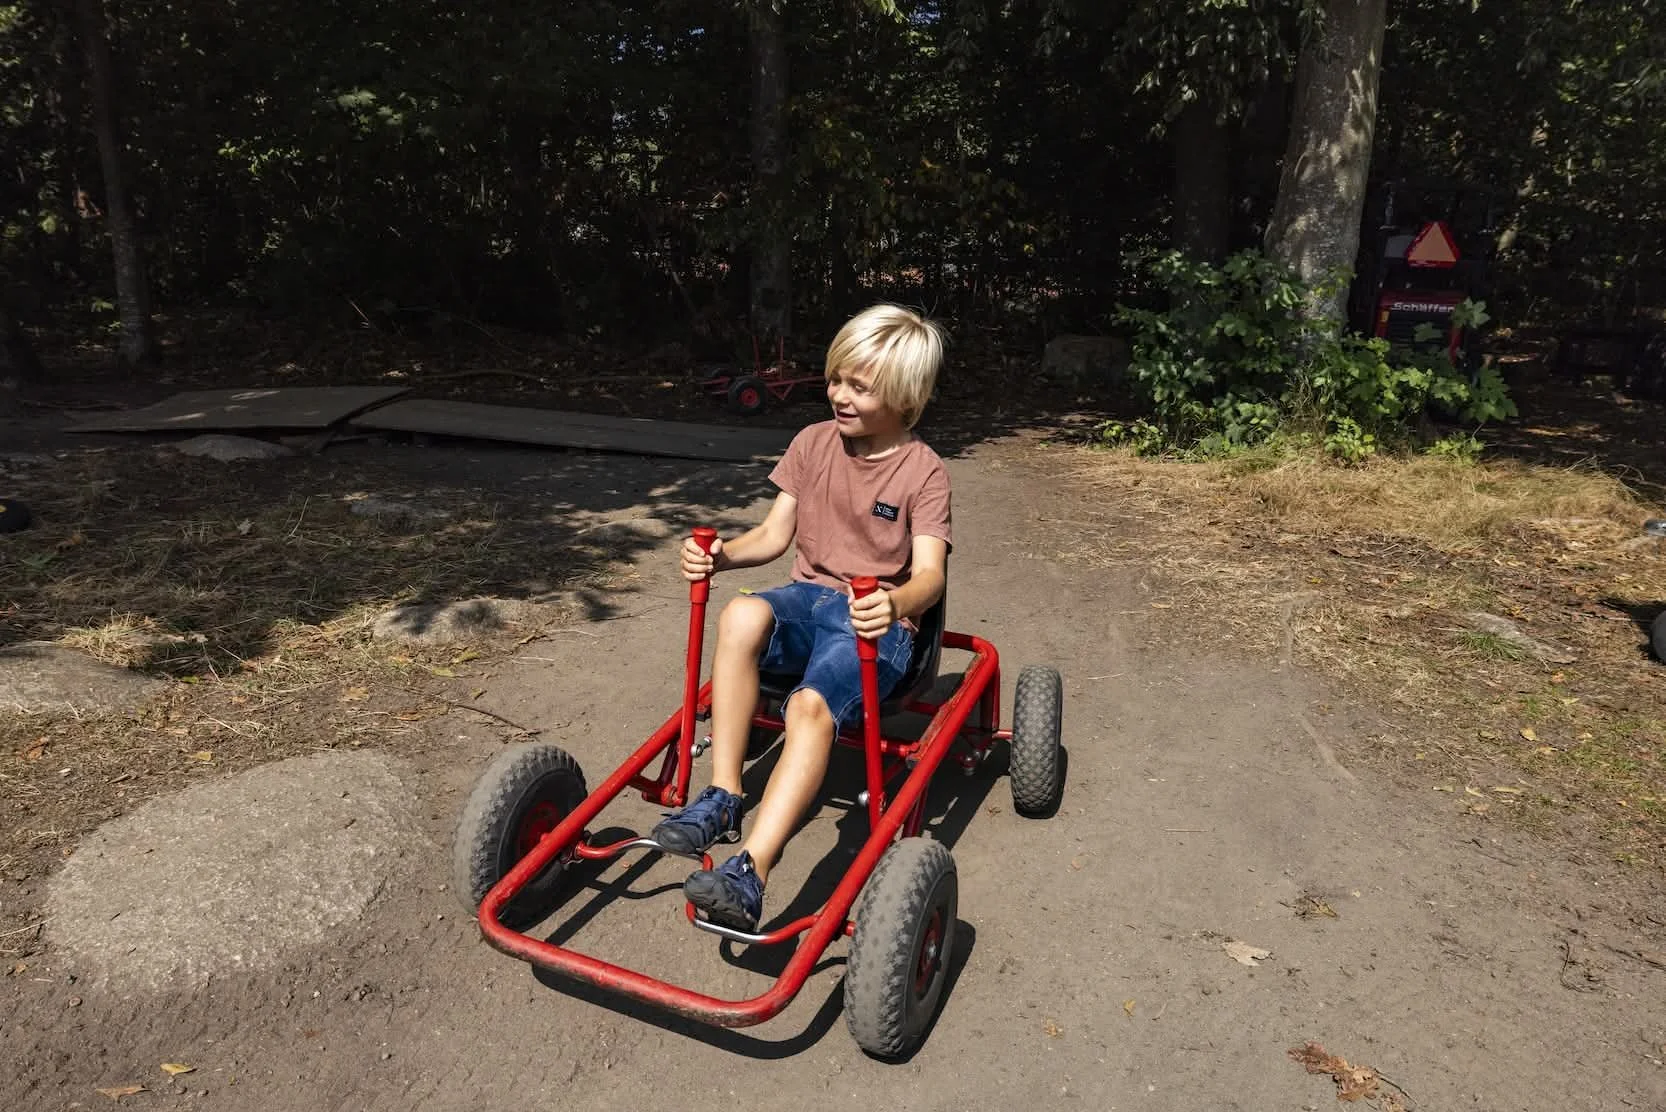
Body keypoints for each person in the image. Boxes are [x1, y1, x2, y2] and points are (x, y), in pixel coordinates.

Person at [652, 303, 952, 931]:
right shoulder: (813, 443)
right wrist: (723, 555)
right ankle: (725, 795)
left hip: (876, 626)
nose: (839, 395)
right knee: (739, 616)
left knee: (807, 708)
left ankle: (750, 871)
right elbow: (772, 535)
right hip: (808, 599)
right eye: (836, 379)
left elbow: (930, 577)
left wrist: (895, 602)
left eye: (859, 387)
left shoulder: (923, 471)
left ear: (904, 395)